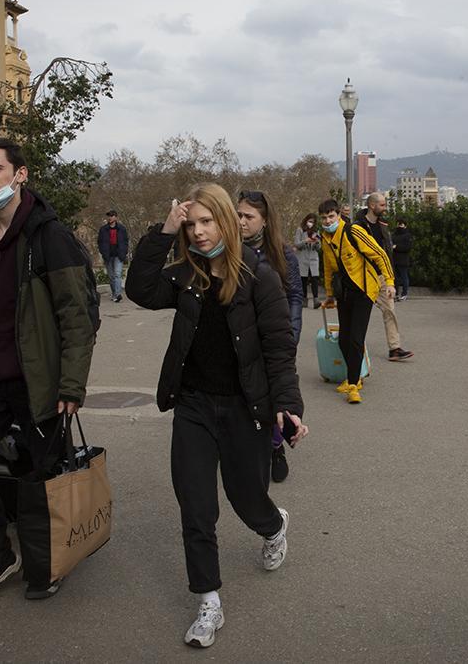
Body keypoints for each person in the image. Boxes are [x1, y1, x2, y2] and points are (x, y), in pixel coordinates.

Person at [125, 183, 306, 648]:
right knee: (196, 507)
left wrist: (288, 405)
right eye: (191, 224)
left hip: (245, 409)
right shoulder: (184, 274)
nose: (199, 232)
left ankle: (273, 526)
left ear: (226, 221)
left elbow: (278, 348)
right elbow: (139, 289)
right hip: (194, 406)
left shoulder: (258, 276)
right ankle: (208, 601)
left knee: (247, 499)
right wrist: (161, 232)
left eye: (207, 222)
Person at [0, 137, 99, 605]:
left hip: (39, 379)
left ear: (20, 174)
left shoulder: (51, 236)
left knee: (46, 475)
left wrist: (71, 384)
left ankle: (48, 556)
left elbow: (78, 316)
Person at [237, 189, 302, 484]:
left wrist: (291, 336)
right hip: (241, 339)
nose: (241, 221)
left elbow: (295, 297)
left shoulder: (283, 253)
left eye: (248, 216)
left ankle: (276, 446)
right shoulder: (229, 250)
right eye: (238, 215)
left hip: (274, 337)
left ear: (264, 220)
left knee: (273, 395)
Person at [318, 198, 395, 404]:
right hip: (344, 293)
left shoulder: (353, 231)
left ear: (339, 215)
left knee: (355, 338)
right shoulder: (325, 238)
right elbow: (328, 268)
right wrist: (330, 296)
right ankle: (357, 374)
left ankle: (353, 385)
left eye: (331, 216)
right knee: (344, 339)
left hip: (364, 291)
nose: (327, 221)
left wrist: (390, 282)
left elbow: (380, 254)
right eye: (324, 218)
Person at [351, 193, 414, 361]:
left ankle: (394, 348)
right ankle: (355, 350)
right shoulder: (358, 226)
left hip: (381, 276)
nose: (385, 208)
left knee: (390, 311)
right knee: (359, 315)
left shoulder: (383, 225)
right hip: (364, 277)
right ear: (372, 206)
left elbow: (386, 253)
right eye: (382, 205)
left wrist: (389, 277)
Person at [97, 209, 129, 302]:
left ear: (116, 217)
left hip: (119, 255)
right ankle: (114, 293)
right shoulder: (103, 229)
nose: (110, 218)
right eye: (109, 216)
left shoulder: (122, 229)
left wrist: (124, 252)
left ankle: (118, 294)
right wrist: (103, 252)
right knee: (111, 276)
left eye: (111, 216)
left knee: (117, 274)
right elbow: (99, 242)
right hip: (108, 255)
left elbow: (126, 241)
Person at [294, 213, 322, 309]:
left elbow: (319, 247)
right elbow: (297, 244)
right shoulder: (300, 230)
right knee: (303, 279)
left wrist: (316, 242)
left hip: (313, 259)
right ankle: (304, 299)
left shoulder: (316, 231)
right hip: (303, 258)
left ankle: (316, 299)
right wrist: (305, 241)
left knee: (314, 278)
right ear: (306, 220)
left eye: (313, 222)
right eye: (309, 221)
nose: (311, 223)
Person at [391, 220, 412, 301]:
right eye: (398, 224)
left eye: (401, 224)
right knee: (395, 278)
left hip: (403, 260)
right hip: (394, 259)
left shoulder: (407, 235)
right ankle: (395, 294)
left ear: (405, 226)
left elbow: (407, 247)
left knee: (404, 277)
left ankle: (404, 294)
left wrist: (396, 247)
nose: (399, 226)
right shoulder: (394, 235)